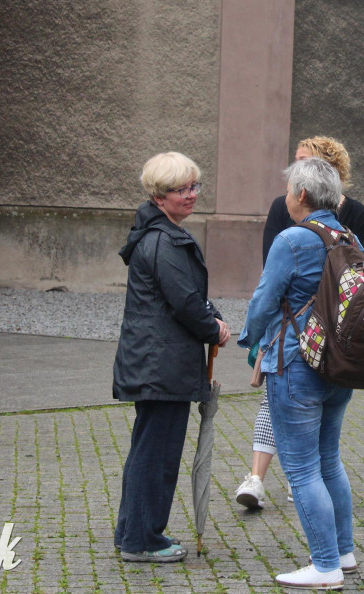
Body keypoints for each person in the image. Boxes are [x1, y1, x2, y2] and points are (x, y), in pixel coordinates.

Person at [238, 157, 357, 589]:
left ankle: (325, 566)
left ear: (301, 195)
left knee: (303, 469)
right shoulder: (347, 234)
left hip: (295, 362)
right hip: (338, 364)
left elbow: (264, 300)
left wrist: (250, 339)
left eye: (290, 190)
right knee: (329, 461)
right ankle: (344, 552)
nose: (286, 197)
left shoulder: (292, 239)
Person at [112, 151, 231, 563]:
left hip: (155, 362)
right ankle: (142, 539)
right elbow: (185, 301)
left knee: (148, 449)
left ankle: (132, 531)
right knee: (157, 454)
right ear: (160, 196)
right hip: (160, 365)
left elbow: (185, 296)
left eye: (195, 186)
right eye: (182, 189)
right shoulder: (164, 240)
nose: (192, 195)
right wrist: (213, 327)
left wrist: (210, 317)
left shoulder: (158, 234)